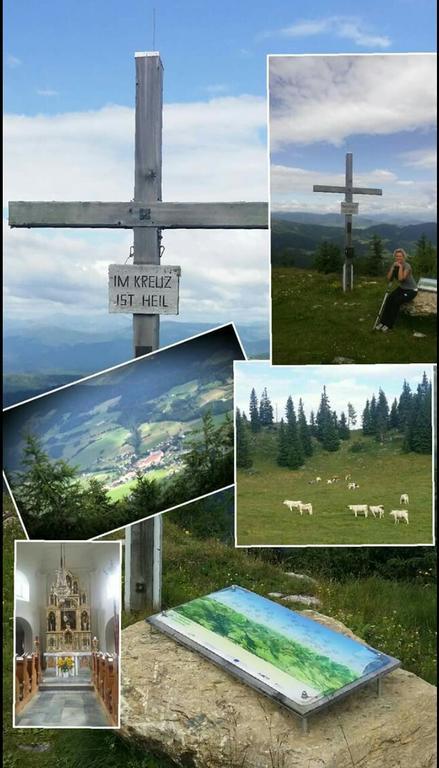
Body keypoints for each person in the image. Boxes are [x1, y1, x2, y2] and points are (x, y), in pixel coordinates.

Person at [375, 248, 418, 332]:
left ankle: (388, 325)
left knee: (396, 302)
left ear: (403, 257)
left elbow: (401, 279)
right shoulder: (395, 265)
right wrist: (392, 267)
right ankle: (382, 322)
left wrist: (400, 267)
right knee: (389, 299)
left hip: (411, 290)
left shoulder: (407, 266)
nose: (398, 258)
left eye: (400, 256)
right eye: (397, 256)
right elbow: (388, 278)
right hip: (402, 288)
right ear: (395, 257)